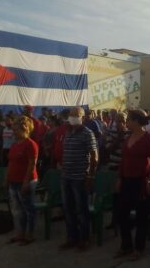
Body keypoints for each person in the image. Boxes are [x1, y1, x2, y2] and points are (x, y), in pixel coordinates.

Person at [115, 109, 150, 260]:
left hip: (141, 181)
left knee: (141, 216)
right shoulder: (128, 138)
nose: (126, 122)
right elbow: (124, 160)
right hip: (127, 180)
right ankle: (126, 245)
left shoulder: (148, 138)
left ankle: (139, 248)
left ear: (136, 121)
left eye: (129, 120)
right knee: (122, 214)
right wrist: (120, 178)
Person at [59, 107, 98, 251]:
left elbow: (94, 156)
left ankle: (85, 238)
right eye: (71, 115)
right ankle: (72, 238)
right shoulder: (67, 132)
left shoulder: (87, 133)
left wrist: (90, 175)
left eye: (76, 115)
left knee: (82, 209)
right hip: (66, 176)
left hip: (80, 177)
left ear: (82, 117)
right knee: (68, 209)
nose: (72, 117)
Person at [6, 116, 39, 245]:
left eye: (16, 129)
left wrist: (26, 182)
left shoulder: (31, 144)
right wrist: (6, 178)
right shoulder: (14, 145)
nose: (13, 132)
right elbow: (10, 162)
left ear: (24, 129)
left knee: (28, 209)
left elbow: (32, 165)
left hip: (25, 181)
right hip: (13, 181)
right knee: (18, 209)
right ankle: (20, 233)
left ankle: (30, 234)